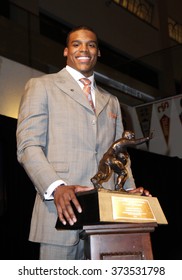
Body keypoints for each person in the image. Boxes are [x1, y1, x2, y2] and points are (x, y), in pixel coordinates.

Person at [16, 25, 151, 260]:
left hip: (107, 218)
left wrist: (129, 190)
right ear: (66, 51)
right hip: (59, 215)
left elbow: (119, 153)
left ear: (98, 53)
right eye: (76, 44)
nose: (84, 49)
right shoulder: (41, 86)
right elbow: (28, 146)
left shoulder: (112, 101)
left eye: (91, 44)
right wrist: (56, 187)